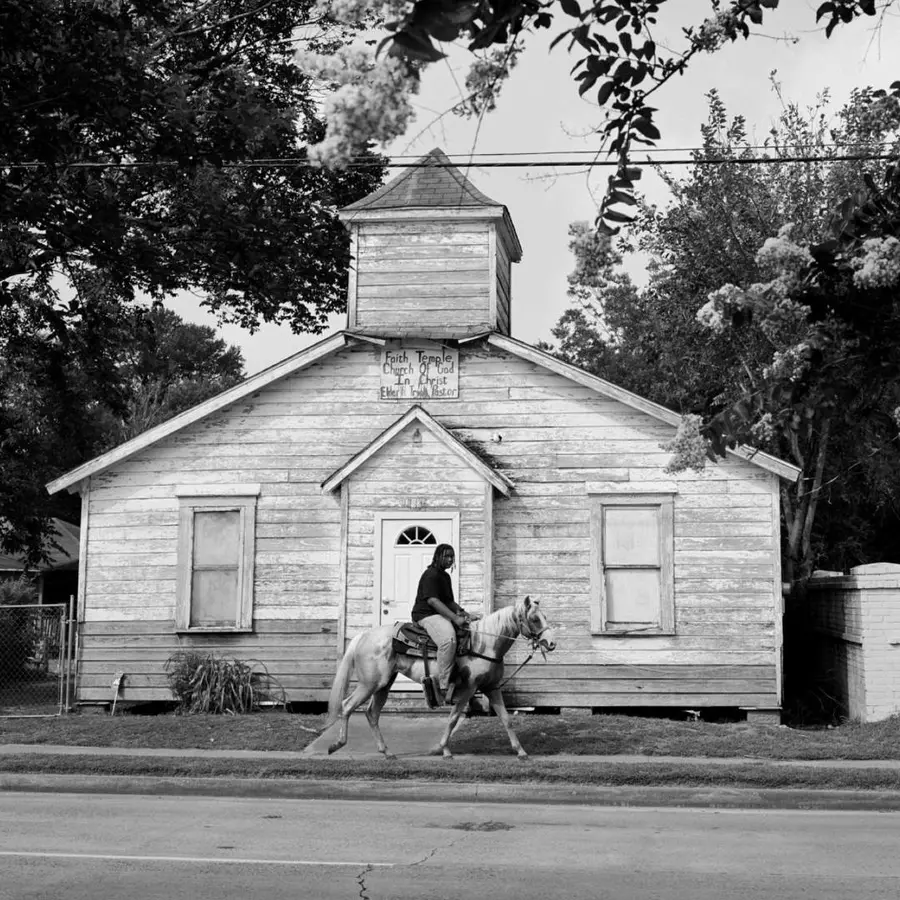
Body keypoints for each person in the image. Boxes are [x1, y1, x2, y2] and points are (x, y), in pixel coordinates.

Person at [410, 543, 479, 705]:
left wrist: (464, 613)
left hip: (437, 614)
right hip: (425, 615)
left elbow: (448, 601)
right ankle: (443, 686)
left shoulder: (445, 577)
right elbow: (433, 601)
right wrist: (455, 619)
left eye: (452, 557)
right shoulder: (430, 575)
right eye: (446, 556)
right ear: (438, 557)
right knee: (449, 640)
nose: (450, 559)